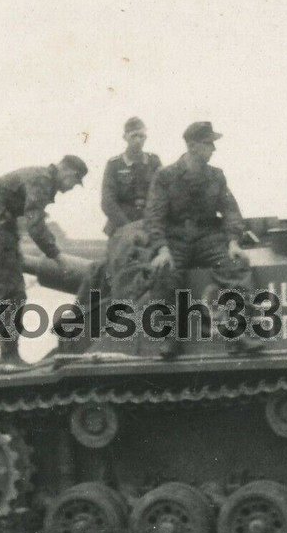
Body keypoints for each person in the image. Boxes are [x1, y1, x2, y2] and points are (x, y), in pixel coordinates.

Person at [145, 121, 261, 357]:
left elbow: (230, 210)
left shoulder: (216, 176)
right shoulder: (166, 176)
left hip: (208, 237)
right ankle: (171, 338)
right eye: (209, 144)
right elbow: (154, 215)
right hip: (176, 237)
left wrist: (233, 241)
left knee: (236, 267)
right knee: (166, 273)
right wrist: (161, 248)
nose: (213, 149)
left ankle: (239, 334)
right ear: (193, 146)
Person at [0, 155, 88, 366]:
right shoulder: (42, 179)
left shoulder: (40, 176)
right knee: (10, 291)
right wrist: (57, 257)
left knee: (9, 290)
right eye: (74, 182)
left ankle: (8, 354)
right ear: (68, 172)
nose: (71, 188)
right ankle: (9, 356)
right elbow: (36, 224)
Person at [101, 117, 162, 238]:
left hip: (149, 225)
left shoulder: (154, 162)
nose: (138, 140)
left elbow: (162, 195)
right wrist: (128, 227)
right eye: (134, 136)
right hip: (121, 226)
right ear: (125, 137)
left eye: (141, 136)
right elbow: (108, 202)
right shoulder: (115, 164)